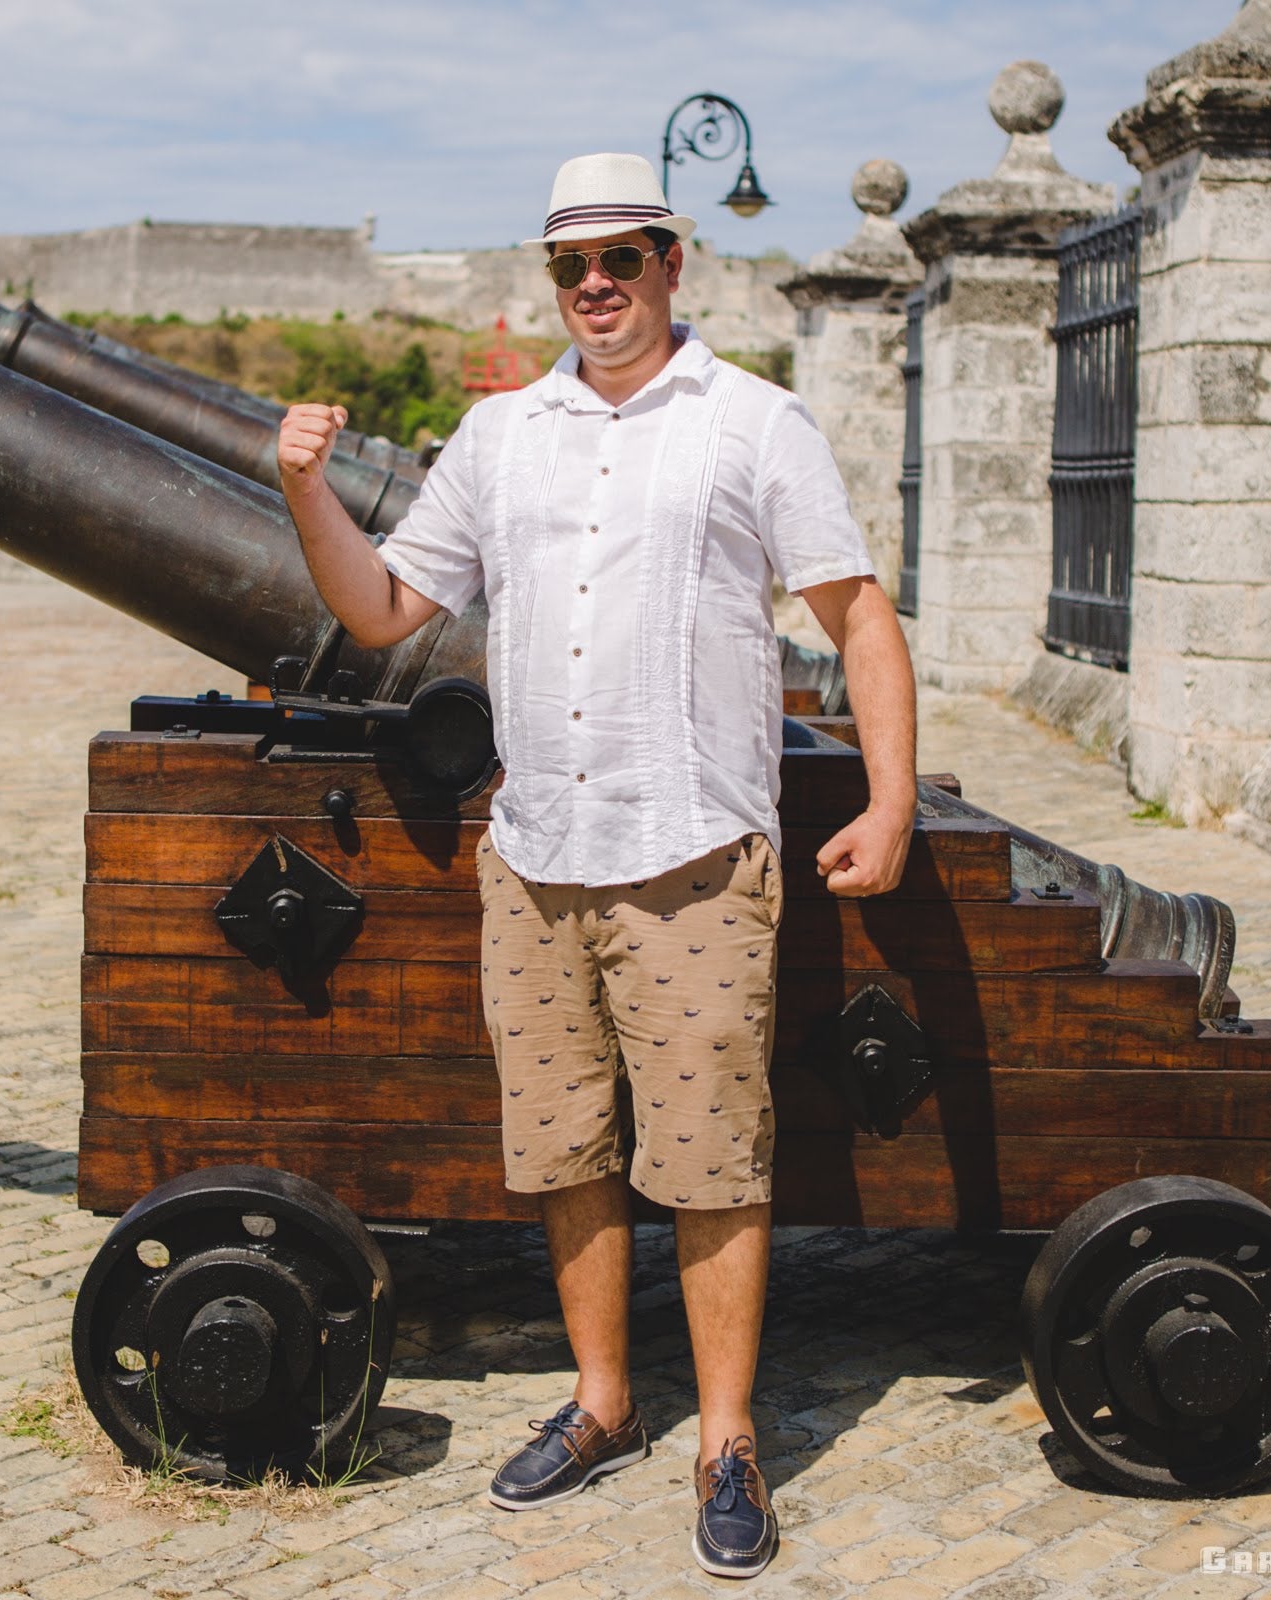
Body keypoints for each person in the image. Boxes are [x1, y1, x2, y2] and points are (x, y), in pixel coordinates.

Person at [276, 151, 916, 1581]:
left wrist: (890, 802)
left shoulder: (755, 422)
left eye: (622, 256)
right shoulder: (502, 435)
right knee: (568, 1150)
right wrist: (305, 489)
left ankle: (730, 1440)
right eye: (572, 265)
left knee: (710, 1163)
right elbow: (383, 610)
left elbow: (858, 614)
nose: (597, 285)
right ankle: (606, 1406)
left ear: (672, 262)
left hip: (690, 851)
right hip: (540, 853)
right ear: (552, 277)